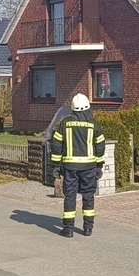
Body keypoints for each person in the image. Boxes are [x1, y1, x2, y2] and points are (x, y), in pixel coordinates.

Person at [49, 93, 105, 237]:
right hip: (89, 167)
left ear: (72, 108)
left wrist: (55, 164)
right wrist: (99, 165)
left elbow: (56, 144)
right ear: (88, 108)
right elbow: (100, 146)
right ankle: (88, 228)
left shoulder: (64, 123)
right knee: (88, 196)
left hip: (70, 167)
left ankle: (68, 229)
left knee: (70, 196)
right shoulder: (94, 125)